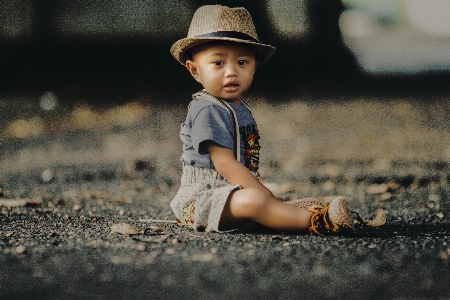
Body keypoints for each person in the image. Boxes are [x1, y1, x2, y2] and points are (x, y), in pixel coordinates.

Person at [169, 5, 356, 235]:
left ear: (254, 67)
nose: (231, 72)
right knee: (254, 201)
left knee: (258, 199)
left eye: (242, 62)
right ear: (194, 70)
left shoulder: (238, 107)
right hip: (202, 201)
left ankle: (282, 212)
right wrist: (263, 193)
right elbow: (225, 163)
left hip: (231, 192)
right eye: (218, 63)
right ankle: (317, 222)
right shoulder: (206, 109)